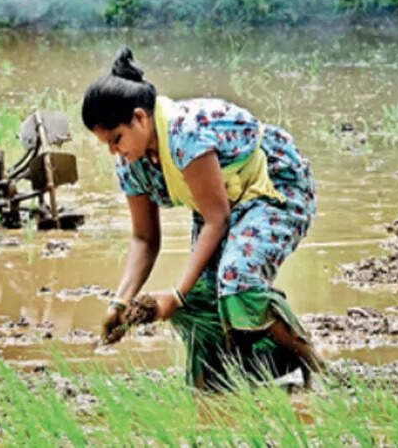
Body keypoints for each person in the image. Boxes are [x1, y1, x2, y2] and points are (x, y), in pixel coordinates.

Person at [82, 47, 325, 390]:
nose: (113, 151)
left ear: (140, 118)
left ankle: (315, 367)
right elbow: (144, 239)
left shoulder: (186, 135)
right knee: (199, 301)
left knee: (236, 279)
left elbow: (217, 219)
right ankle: (229, 378)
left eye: (116, 139)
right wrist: (119, 303)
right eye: (106, 144)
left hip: (274, 189)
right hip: (224, 203)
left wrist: (175, 297)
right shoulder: (131, 164)